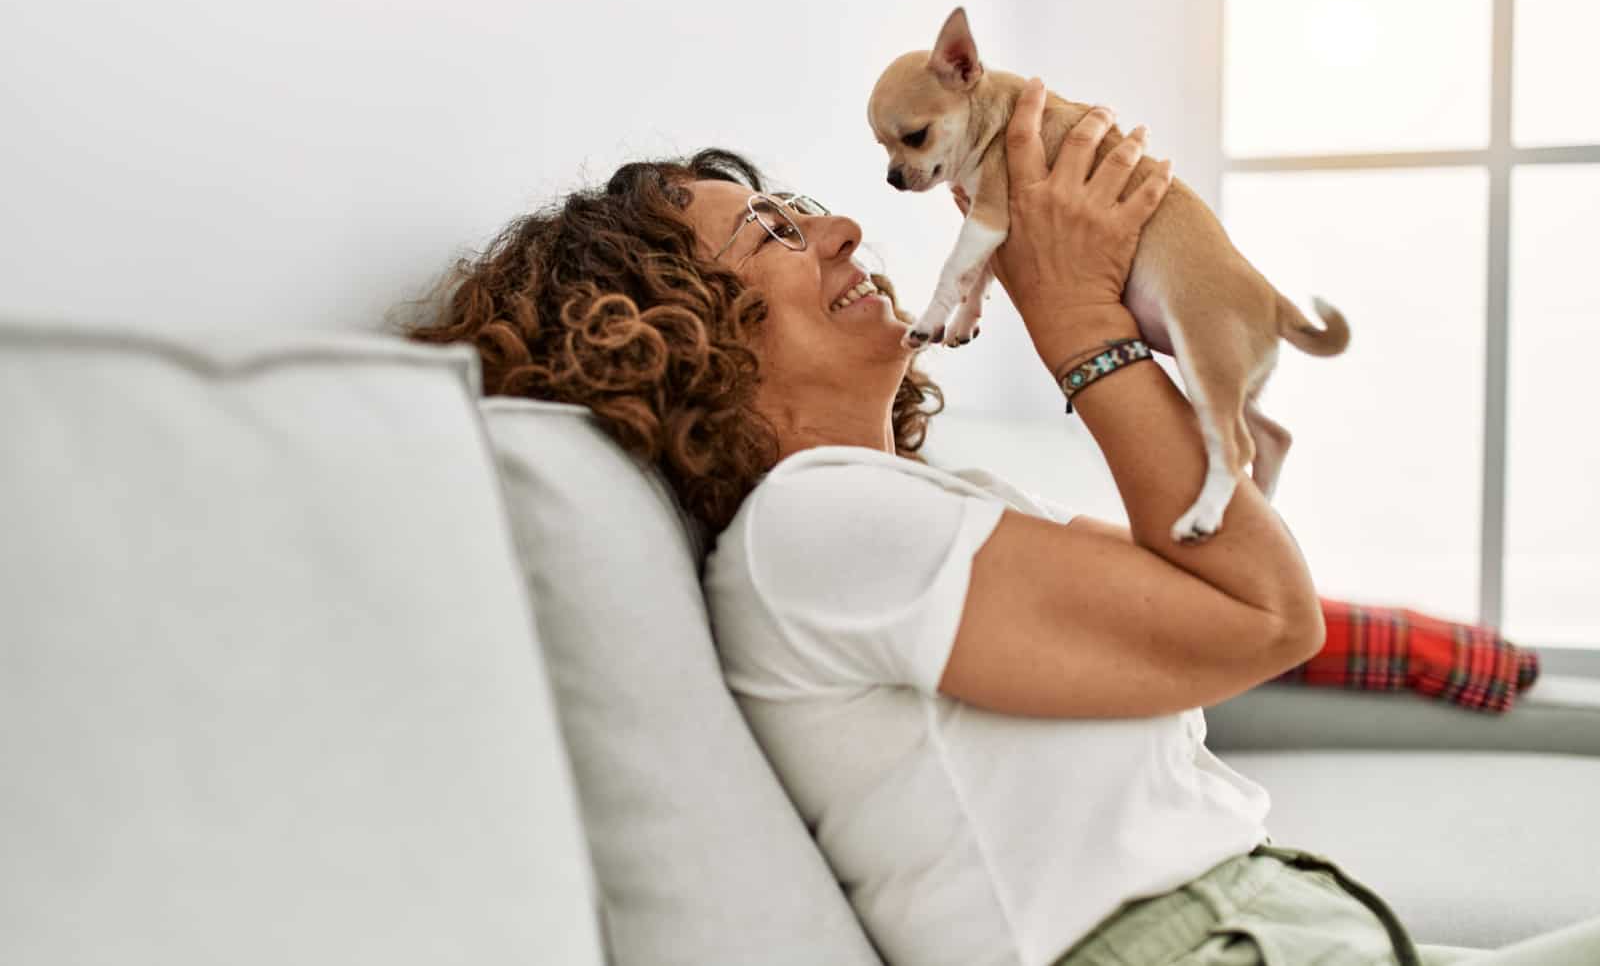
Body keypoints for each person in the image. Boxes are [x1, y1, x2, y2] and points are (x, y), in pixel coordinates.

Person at [403, 79, 1600, 965]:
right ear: (681, 329)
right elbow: (1265, 617)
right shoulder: (812, 530)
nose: (842, 229)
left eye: (802, 207)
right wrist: (1077, 319)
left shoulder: (905, 517)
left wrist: (1135, 284)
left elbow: (1193, 585)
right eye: (770, 231)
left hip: (1255, 920)